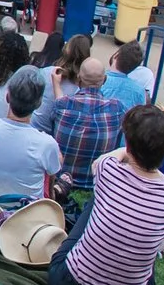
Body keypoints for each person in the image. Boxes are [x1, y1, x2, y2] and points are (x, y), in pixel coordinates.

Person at [49, 105, 164, 285]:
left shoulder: (108, 171)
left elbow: (102, 162)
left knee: (97, 199)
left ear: (128, 145)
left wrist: (129, 147)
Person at [0, 64, 64, 203]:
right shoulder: (47, 144)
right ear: (39, 103)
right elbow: (52, 174)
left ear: (7, 96)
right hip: (25, 207)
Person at [49, 56, 128, 188]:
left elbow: (59, 106)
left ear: (78, 78)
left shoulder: (63, 104)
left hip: (60, 183)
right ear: (105, 80)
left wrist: (56, 84)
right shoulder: (116, 109)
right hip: (95, 184)